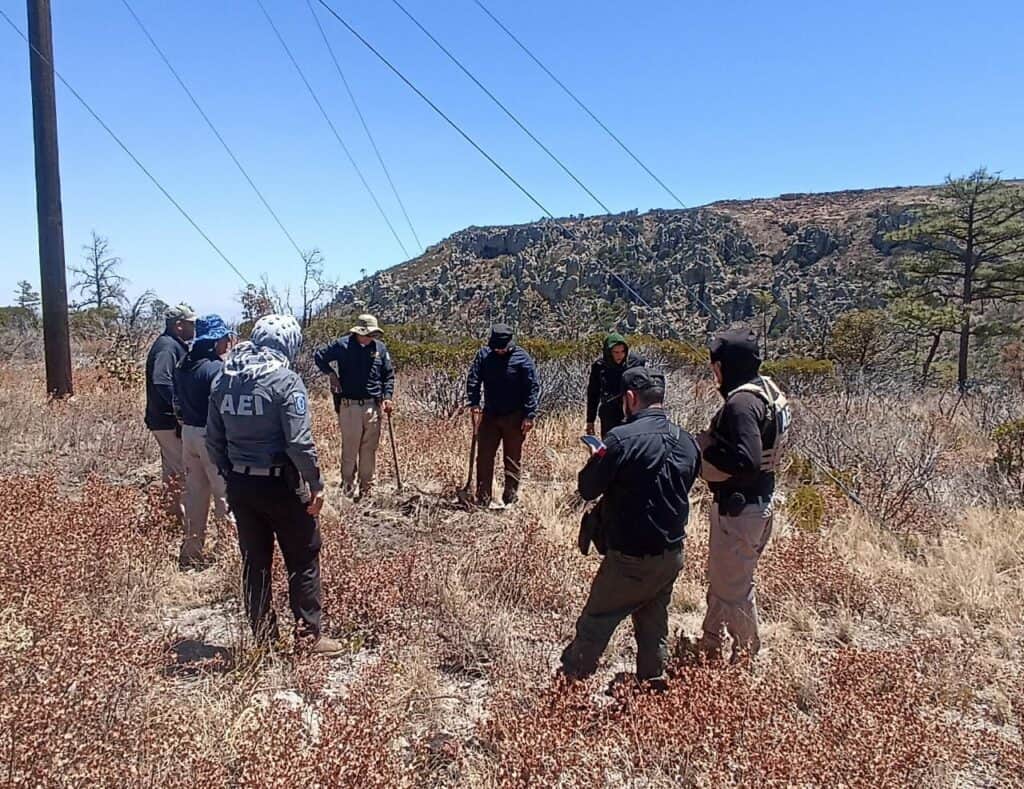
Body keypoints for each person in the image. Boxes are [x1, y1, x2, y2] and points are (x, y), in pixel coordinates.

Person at [206, 314, 342, 656]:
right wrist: (316, 482)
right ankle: (308, 638)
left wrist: (229, 475)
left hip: (240, 483)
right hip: (281, 483)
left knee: (255, 562)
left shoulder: (226, 377)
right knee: (303, 556)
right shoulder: (285, 381)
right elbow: (298, 443)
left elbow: (213, 439)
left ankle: (264, 640)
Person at [560, 367, 700, 688]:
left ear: (630, 398)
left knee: (596, 622)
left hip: (629, 559)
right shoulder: (687, 442)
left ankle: (565, 692)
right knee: (653, 624)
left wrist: (597, 459)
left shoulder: (621, 440)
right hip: (671, 555)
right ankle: (653, 685)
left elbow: (587, 488)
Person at [692, 328, 790, 663]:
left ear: (725, 365)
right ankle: (711, 641)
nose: (713, 373)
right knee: (724, 577)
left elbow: (746, 461)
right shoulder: (768, 390)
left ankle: (747, 655)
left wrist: (703, 451)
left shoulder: (740, 404)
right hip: (759, 504)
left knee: (735, 588)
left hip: (739, 509)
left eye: (715, 365)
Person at [173, 314, 236, 568]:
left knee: (196, 494)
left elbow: (176, 403)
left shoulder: (182, 365)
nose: (227, 344)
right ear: (214, 341)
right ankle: (228, 551)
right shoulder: (216, 370)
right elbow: (223, 408)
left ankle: (191, 550)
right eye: (224, 339)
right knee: (224, 495)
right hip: (212, 437)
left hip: (188, 433)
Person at [313, 314, 395, 500]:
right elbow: (319, 356)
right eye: (368, 333)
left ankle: (367, 491)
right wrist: (331, 374)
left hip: (372, 406)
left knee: (369, 450)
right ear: (358, 332)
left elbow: (388, 375)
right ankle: (347, 489)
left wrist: (388, 397)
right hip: (349, 406)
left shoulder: (380, 349)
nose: (370, 336)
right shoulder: (342, 345)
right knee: (350, 449)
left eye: (373, 333)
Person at [466, 324, 540, 507]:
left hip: (515, 417)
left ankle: (510, 497)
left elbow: (532, 387)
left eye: (502, 347)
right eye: (496, 347)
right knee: (484, 456)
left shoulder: (522, 359)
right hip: (490, 415)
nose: (498, 350)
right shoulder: (484, 355)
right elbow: (473, 379)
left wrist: (529, 415)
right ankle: (483, 498)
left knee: (512, 458)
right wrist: (475, 403)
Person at [145, 303, 196, 522]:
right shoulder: (167, 347)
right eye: (191, 323)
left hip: (164, 420)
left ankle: (171, 517)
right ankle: (185, 522)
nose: (194, 327)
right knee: (184, 472)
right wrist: (180, 408)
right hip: (167, 421)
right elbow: (161, 379)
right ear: (178, 325)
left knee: (172, 472)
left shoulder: (172, 344)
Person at [586, 331, 645, 438]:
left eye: (622, 352)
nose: (620, 355)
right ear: (609, 352)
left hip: (631, 410)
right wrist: (590, 420)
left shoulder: (635, 362)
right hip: (609, 411)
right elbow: (593, 394)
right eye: (616, 352)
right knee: (610, 445)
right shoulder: (599, 366)